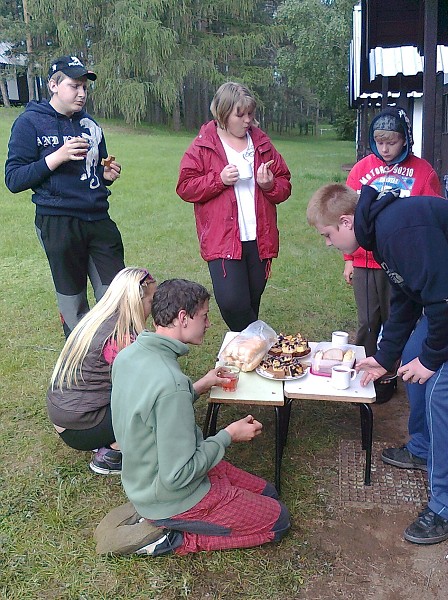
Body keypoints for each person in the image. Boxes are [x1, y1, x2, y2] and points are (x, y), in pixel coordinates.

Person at [307, 183, 448, 545]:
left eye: (328, 235)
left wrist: (430, 360)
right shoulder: (379, 229)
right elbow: (407, 295)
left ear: (346, 222)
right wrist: (385, 356)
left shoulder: (399, 230)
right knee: (412, 358)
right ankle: (424, 448)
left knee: (447, 395)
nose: (328, 244)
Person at [110, 278, 290, 556]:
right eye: (204, 316)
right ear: (183, 318)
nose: (208, 324)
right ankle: (171, 539)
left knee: (268, 492)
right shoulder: (171, 384)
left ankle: (174, 510)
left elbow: (151, 410)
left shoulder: (129, 356)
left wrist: (200, 386)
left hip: (143, 479)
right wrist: (227, 436)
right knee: (278, 519)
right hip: (171, 495)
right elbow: (178, 475)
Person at [5, 55, 125, 338]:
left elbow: (95, 167)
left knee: (118, 295)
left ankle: (117, 360)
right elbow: (13, 179)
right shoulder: (30, 123)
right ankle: (81, 369)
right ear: (54, 86)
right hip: (57, 221)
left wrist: (105, 172)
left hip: (98, 219)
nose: (82, 93)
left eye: (84, 87)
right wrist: (55, 158)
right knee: (73, 303)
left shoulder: (90, 125)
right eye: (74, 86)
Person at [343, 107, 442, 403]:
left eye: (392, 142)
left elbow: (434, 215)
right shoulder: (361, 170)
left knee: (397, 320)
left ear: (405, 140)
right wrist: (349, 259)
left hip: (405, 263)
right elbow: (347, 218)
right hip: (365, 261)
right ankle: (363, 374)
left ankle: (390, 376)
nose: (385, 149)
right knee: (368, 322)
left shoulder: (423, 172)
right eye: (380, 142)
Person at [176, 82, 291, 332]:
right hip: (223, 240)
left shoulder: (261, 143)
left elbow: (285, 185)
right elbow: (185, 187)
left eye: (250, 113)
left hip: (259, 239)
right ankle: (259, 343)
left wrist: (270, 185)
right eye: (240, 114)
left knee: (251, 299)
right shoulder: (203, 145)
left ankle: (245, 360)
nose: (247, 120)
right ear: (222, 112)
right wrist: (219, 180)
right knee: (232, 302)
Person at [47, 267, 156, 475]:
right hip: (80, 428)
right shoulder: (121, 338)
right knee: (154, 403)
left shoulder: (98, 319)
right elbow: (147, 385)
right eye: (152, 301)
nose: (154, 307)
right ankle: (112, 454)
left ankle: (108, 437)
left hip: (66, 415)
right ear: (136, 301)